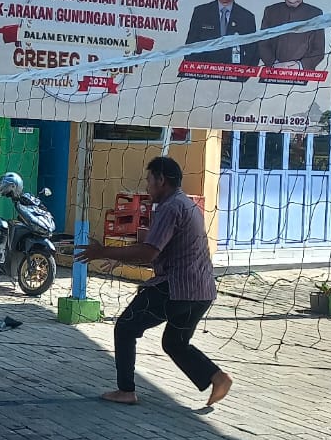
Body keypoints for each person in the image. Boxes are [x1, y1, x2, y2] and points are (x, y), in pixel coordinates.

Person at [76, 157, 232, 408]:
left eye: (149, 181)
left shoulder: (170, 207)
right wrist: (123, 258)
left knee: (125, 328)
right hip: (201, 291)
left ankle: (126, 390)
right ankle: (217, 377)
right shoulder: (186, 204)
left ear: (162, 180)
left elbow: (148, 252)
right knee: (174, 343)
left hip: (175, 289)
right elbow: (159, 251)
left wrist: (103, 251)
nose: (147, 187)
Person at [257, 0, 327, 70]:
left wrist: (300, 66)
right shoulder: (271, 12)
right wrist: (274, 64)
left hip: (303, 78)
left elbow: (318, 51)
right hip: (272, 74)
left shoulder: (315, 14)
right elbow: (262, 44)